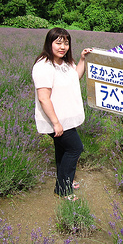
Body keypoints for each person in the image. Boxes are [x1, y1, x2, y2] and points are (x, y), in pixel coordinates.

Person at [32, 27, 92, 199]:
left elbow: (75, 77)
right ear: (49, 43)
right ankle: (63, 189)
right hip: (57, 119)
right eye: (58, 42)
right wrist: (56, 123)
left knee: (62, 149)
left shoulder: (65, 63)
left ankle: (65, 179)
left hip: (66, 116)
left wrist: (82, 59)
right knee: (75, 148)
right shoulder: (43, 66)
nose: (62, 47)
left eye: (66, 43)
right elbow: (44, 98)